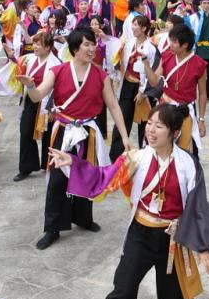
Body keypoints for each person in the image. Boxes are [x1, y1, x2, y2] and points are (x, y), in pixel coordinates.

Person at [48, 103, 209, 299]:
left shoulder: (189, 164)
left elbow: (197, 207)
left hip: (172, 239)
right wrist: (74, 163)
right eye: (150, 123)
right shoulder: (136, 158)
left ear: (175, 132)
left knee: (173, 292)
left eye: (159, 126)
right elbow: (104, 177)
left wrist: (203, 247)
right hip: (140, 235)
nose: (151, 130)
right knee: (123, 291)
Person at [26, 28, 131, 250]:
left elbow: (113, 105)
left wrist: (125, 136)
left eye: (93, 44)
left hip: (88, 132)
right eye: (86, 44)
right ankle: (52, 228)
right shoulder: (58, 71)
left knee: (86, 175)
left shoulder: (101, 75)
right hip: (63, 131)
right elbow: (37, 96)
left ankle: (83, 218)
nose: (92, 49)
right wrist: (29, 85)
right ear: (75, 48)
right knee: (57, 180)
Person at [0, 31, 62, 181]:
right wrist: (11, 56)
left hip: (47, 103)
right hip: (30, 99)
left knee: (48, 135)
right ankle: (26, 167)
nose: (34, 47)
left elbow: (59, 87)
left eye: (38, 44)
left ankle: (49, 165)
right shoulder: (30, 59)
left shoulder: (57, 64)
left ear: (47, 47)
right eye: (34, 44)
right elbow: (19, 65)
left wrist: (53, 108)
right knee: (26, 131)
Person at [141, 23, 208, 154]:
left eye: (174, 41)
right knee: (158, 147)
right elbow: (154, 81)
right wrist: (146, 64)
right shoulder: (166, 57)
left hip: (185, 110)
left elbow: (203, 93)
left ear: (185, 45)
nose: (170, 44)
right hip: (165, 107)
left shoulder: (199, 64)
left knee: (185, 151)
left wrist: (201, 120)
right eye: (170, 40)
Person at [110, 15, 159, 160]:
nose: (133, 27)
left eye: (136, 25)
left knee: (145, 123)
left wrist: (144, 92)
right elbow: (120, 63)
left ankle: (146, 156)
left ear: (144, 28)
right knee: (122, 118)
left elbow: (153, 72)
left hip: (142, 88)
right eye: (133, 24)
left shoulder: (151, 48)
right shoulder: (128, 43)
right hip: (127, 85)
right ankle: (116, 156)